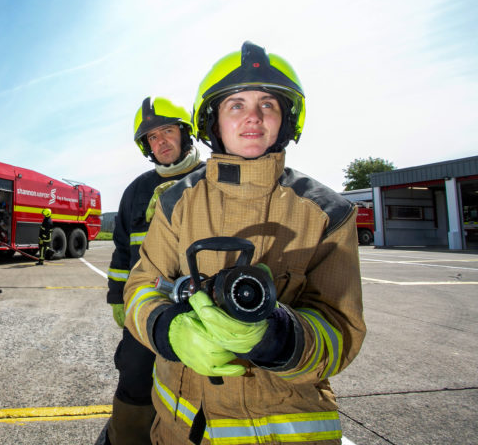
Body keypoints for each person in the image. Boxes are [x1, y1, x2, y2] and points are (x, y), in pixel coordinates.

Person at [123, 41, 366, 445]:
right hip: (181, 430)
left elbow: (342, 331)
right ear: (213, 121)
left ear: (285, 119)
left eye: (267, 104)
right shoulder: (173, 202)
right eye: (235, 104)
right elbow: (141, 285)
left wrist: (276, 336)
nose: (253, 116)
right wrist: (170, 330)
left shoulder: (328, 213)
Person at [99, 97, 205, 445]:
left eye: (168, 131)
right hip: (146, 306)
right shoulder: (137, 191)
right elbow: (121, 252)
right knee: (134, 370)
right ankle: (128, 436)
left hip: (204, 309)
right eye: (152, 138)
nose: (161, 142)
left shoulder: (215, 179)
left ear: (185, 133)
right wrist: (118, 297)